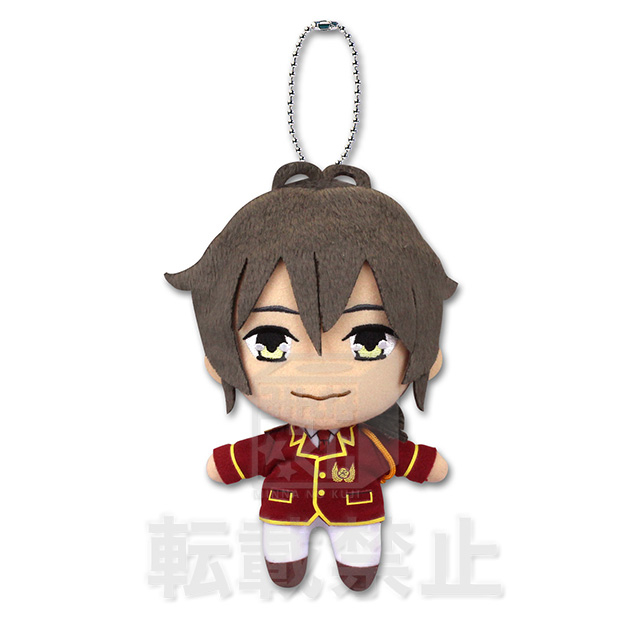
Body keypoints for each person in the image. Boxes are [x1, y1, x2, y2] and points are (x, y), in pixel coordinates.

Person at [165, 161, 456, 591]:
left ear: (429, 358)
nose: (321, 371)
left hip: (356, 513)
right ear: (217, 360)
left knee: (359, 555)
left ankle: (354, 565)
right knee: (283, 554)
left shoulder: (372, 446)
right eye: (270, 341)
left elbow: (405, 458)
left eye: (370, 340)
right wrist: (227, 465)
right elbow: (240, 460)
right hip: (286, 510)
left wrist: (425, 464)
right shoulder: (283, 445)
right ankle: (288, 560)